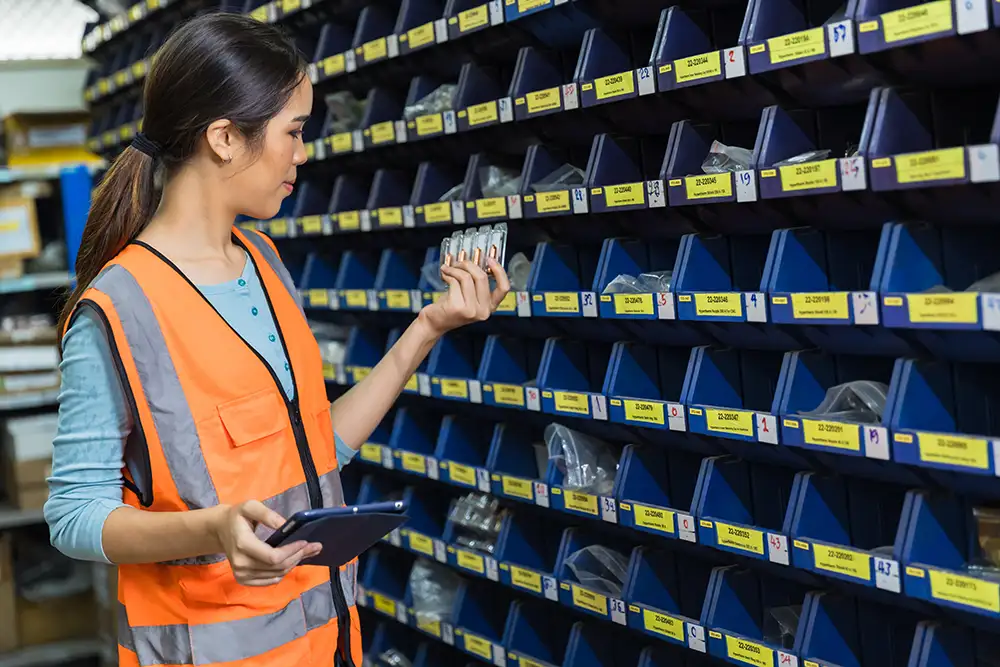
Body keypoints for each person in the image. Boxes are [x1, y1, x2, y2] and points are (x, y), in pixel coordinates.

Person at [45, 11, 510, 667]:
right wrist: (213, 528)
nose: (303, 151)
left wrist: (429, 327)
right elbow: (72, 515)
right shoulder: (119, 309)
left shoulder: (263, 262)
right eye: (293, 131)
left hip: (329, 645)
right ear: (225, 138)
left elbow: (319, 447)